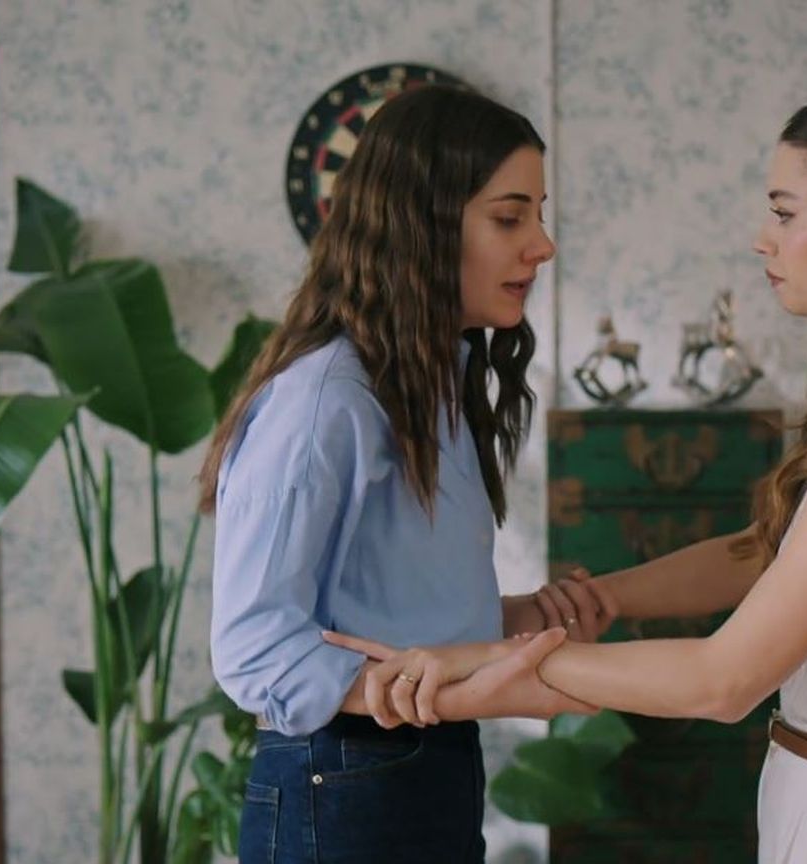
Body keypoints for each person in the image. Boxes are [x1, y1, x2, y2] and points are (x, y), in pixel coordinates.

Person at [328, 83, 807, 864]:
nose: (763, 240)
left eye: (784, 213)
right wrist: (605, 599)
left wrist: (492, 661)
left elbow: (723, 680)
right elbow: (774, 553)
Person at [201, 85, 616, 864]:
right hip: (342, 781)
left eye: (538, 215)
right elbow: (256, 647)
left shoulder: (430, 385)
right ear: (420, 224)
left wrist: (516, 621)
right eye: (510, 218)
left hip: (419, 769)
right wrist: (458, 686)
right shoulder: (327, 400)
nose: (542, 245)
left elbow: (387, 612)